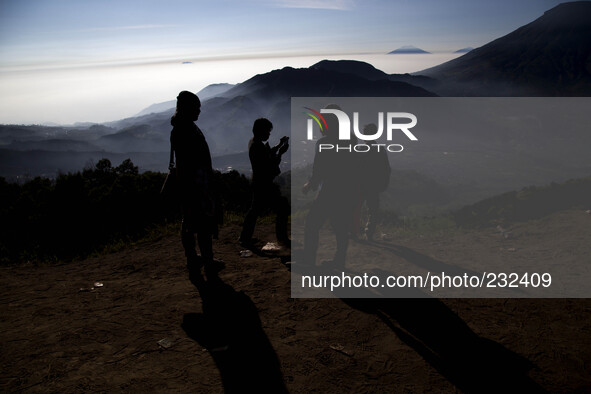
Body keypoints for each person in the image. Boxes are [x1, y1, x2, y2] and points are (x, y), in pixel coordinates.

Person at [169, 91, 219, 278]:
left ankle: (193, 259)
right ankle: (207, 262)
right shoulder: (186, 130)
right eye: (196, 107)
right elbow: (192, 161)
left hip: (188, 183)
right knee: (203, 225)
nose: (199, 111)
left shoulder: (180, 127)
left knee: (189, 222)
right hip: (196, 184)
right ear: (187, 108)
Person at [302, 104, 358, 269]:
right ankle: (339, 261)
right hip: (347, 190)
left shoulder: (324, 143)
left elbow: (319, 170)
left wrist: (310, 184)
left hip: (329, 190)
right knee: (341, 227)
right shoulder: (351, 139)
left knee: (312, 224)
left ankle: (308, 261)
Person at [239, 118, 290, 247]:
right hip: (264, 184)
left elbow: (266, 153)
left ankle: (244, 238)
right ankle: (282, 239)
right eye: (267, 131)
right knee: (283, 206)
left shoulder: (254, 142)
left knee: (254, 210)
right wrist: (280, 153)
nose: (269, 134)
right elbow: (269, 166)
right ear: (261, 131)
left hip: (257, 182)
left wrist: (278, 146)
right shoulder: (257, 146)